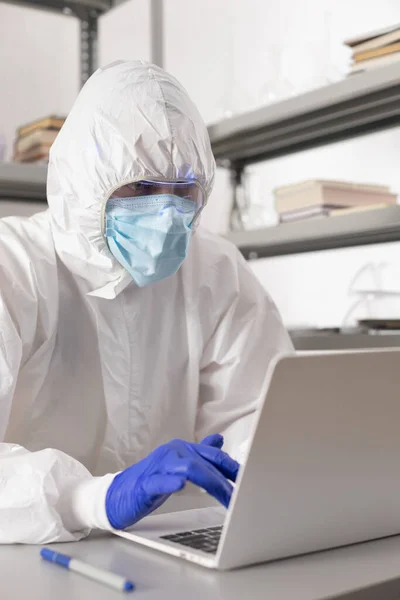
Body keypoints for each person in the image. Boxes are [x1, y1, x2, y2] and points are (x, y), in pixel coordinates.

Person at [0, 60, 293, 544]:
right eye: (139, 187)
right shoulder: (15, 270)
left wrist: (262, 471)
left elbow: (258, 415)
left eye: (183, 190)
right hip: (27, 552)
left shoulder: (217, 272)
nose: (165, 211)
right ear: (82, 182)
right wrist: (89, 498)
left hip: (170, 547)